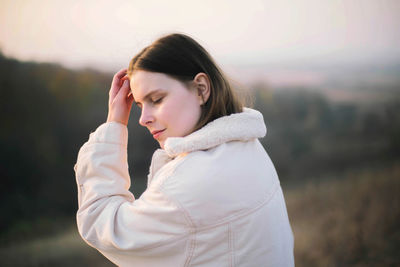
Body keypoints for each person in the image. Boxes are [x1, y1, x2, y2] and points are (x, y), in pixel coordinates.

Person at [74, 33, 294, 266]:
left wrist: (114, 123)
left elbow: (101, 223)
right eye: (139, 105)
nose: (142, 118)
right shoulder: (248, 147)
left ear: (201, 89)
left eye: (156, 99)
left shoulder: (185, 186)